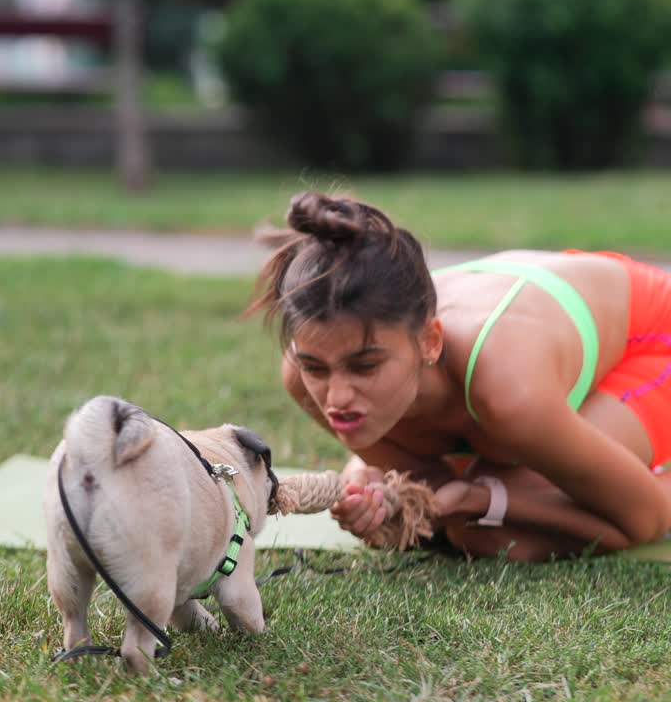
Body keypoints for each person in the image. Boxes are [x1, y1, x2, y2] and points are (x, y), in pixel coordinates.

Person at [249, 190, 671, 561]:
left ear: (430, 341)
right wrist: (376, 489)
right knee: (472, 521)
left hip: (652, 335)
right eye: (315, 367)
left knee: (487, 533)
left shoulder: (509, 392)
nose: (336, 397)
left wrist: (478, 498)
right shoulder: (301, 376)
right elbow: (427, 492)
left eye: (365, 366)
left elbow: (646, 519)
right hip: (559, 307)